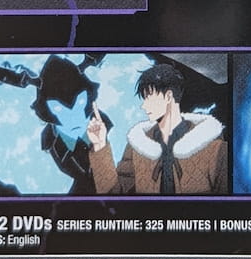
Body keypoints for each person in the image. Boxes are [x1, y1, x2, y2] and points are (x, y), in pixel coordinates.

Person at [92, 61, 228, 195]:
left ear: (168, 96)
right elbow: (115, 194)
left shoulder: (214, 148)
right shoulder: (137, 148)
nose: (143, 106)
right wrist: (99, 144)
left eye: (149, 98)